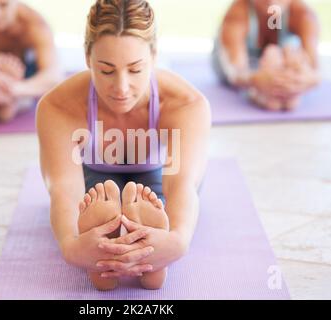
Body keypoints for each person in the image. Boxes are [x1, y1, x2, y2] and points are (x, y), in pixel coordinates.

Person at [36, 0, 211, 290]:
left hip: (157, 178)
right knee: (97, 204)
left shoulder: (186, 104)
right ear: (87, 57)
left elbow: (182, 183)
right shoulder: (59, 106)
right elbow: (64, 187)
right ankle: (115, 240)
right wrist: (71, 245)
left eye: (135, 69)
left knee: (160, 204)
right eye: (106, 70)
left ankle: (129, 241)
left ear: (153, 56)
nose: (120, 87)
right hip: (94, 177)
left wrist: (178, 240)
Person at [212, 0, 321, 111]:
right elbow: (234, 73)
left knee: (288, 54)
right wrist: (255, 80)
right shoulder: (237, 14)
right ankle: (263, 94)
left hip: (274, 64)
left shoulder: (303, 14)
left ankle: (278, 93)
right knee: (274, 54)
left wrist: (298, 81)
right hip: (232, 65)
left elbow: (315, 70)